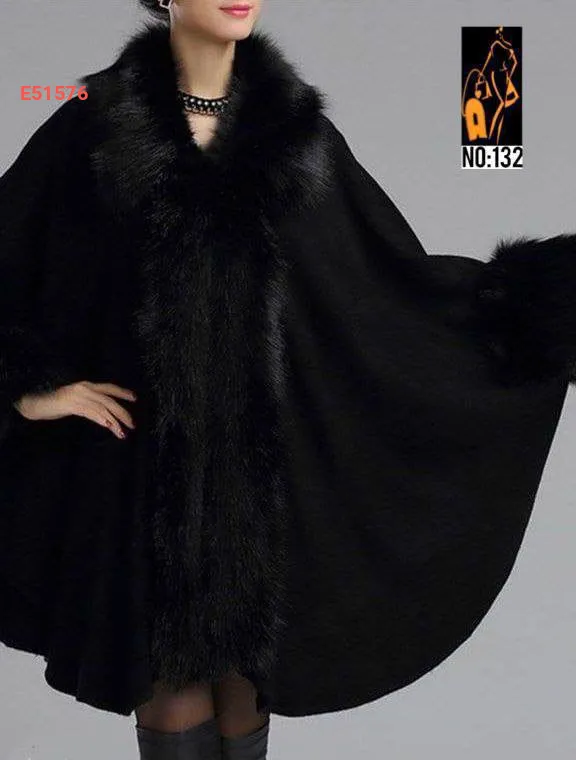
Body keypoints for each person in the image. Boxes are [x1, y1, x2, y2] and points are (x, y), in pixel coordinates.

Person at [1, 1, 576, 759]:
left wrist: (531, 307)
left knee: (245, 688)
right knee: (168, 679)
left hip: (266, 490)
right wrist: (29, 385)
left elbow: (382, 287)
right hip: (142, 477)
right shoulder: (90, 122)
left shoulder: (298, 137)